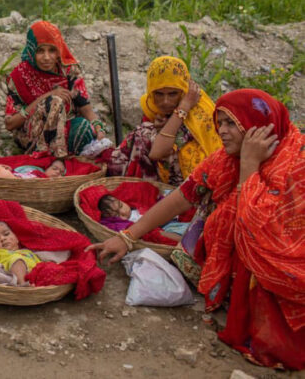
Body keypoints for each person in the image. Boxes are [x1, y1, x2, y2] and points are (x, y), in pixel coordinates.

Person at [88, 89, 305, 370]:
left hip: (291, 270)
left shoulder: (295, 165)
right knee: (217, 206)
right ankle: (226, 286)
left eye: (231, 123)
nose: (221, 131)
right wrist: (127, 237)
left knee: (238, 213)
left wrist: (249, 167)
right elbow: (182, 197)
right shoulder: (225, 160)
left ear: (257, 126)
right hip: (254, 258)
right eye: (220, 122)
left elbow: (265, 229)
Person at [106, 56, 221, 185]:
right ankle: (132, 186)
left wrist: (183, 108)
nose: (165, 101)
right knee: (145, 131)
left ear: (183, 91)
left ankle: (151, 189)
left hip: (194, 178)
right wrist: (160, 126)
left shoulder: (195, 109)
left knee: (145, 134)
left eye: (173, 94)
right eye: (159, 94)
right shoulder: (151, 105)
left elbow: (157, 152)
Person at [4, 21, 106, 158]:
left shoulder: (68, 70)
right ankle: (51, 157)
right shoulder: (19, 76)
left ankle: (59, 157)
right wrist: (47, 97)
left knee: (83, 129)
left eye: (52, 50)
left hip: (64, 128)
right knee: (54, 101)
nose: (46, 57)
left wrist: (98, 127)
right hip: (33, 135)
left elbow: (85, 107)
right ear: (31, 50)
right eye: (40, 51)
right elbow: (10, 124)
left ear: (59, 50)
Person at [97, 194, 186, 241]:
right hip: (159, 228)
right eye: (117, 215)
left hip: (162, 216)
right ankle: (184, 241)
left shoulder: (135, 207)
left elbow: (151, 201)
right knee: (169, 232)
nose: (123, 212)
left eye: (121, 206)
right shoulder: (126, 224)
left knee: (169, 196)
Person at [0, 221, 42, 287]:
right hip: (16, 276)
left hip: (36, 277)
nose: (2, 238)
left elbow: (40, 264)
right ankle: (22, 284)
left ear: (16, 239)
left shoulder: (28, 252)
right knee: (17, 260)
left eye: (6, 234)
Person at [0, 159, 66, 179]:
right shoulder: (37, 171)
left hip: (16, 181)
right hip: (16, 176)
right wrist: (11, 170)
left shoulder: (44, 180)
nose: (57, 172)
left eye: (61, 172)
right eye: (54, 168)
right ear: (46, 169)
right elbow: (23, 174)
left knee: (0, 170)